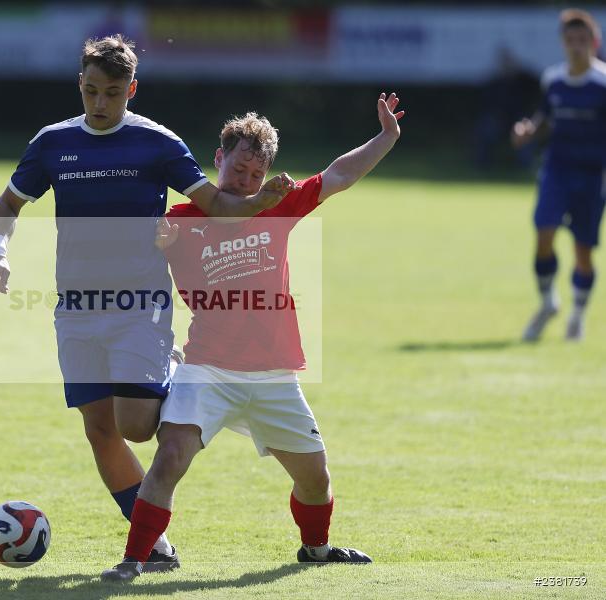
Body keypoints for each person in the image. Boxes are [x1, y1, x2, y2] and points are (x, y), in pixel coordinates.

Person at [0, 35, 295, 571]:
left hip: (138, 306)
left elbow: (214, 202)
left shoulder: (158, 143)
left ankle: (173, 369)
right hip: (75, 310)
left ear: (131, 89)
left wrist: (260, 202)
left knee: (136, 426)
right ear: (79, 86)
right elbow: (8, 203)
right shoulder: (53, 143)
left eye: (111, 93)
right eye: (89, 91)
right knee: (98, 428)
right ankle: (156, 547)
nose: (99, 104)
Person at [101, 93, 405, 582]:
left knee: (315, 478)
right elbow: (132, 271)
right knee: (170, 458)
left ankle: (317, 551)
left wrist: (386, 136)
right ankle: (133, 560)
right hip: (208, 368)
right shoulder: (179, 222)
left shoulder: (278, 206)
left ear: (267, 176)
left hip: (272, 375)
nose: (244, 183)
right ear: (218, 160)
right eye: (237, 171)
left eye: (254, 176)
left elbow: (339, 174)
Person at [513, 9, 606, 342]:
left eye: (583, 40)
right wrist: (528, 130)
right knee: (544, 234)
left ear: (594, 42)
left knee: (583, 251)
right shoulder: (553, 79)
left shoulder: (602, 83)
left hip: (593, 176)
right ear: (563, 43)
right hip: (557, 170)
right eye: (571, 40)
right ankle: (548, 302)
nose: (577, 46)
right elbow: (545, 116)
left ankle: (577, 316)